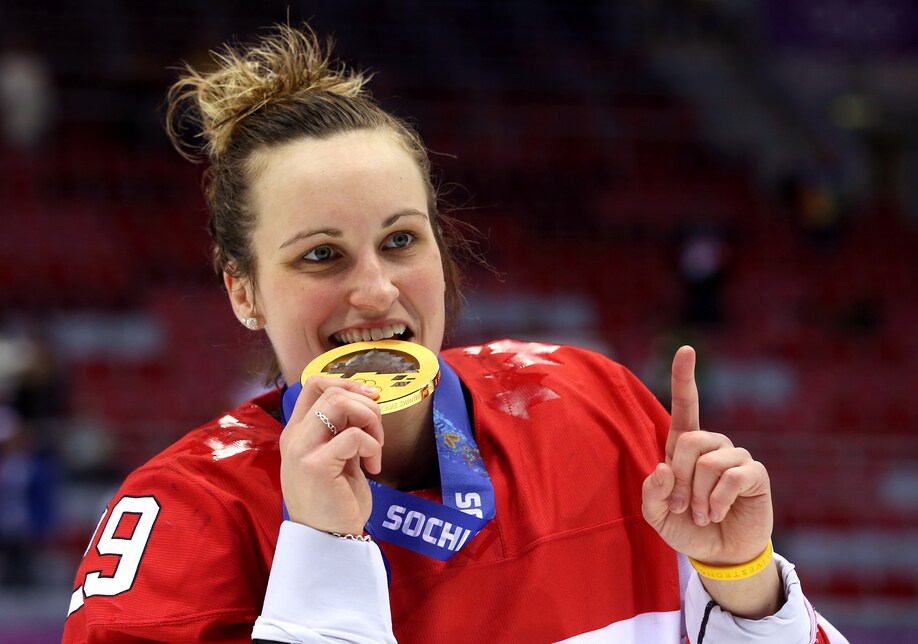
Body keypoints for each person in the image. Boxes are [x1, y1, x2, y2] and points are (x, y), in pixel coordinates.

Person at [62, 25, 847, 643]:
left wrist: (743, 585)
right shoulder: (180, 523)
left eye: (401, 240)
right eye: (321, 255)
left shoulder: (591, 408)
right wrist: (322, 554)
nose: (374, 289)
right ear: (244, 291)